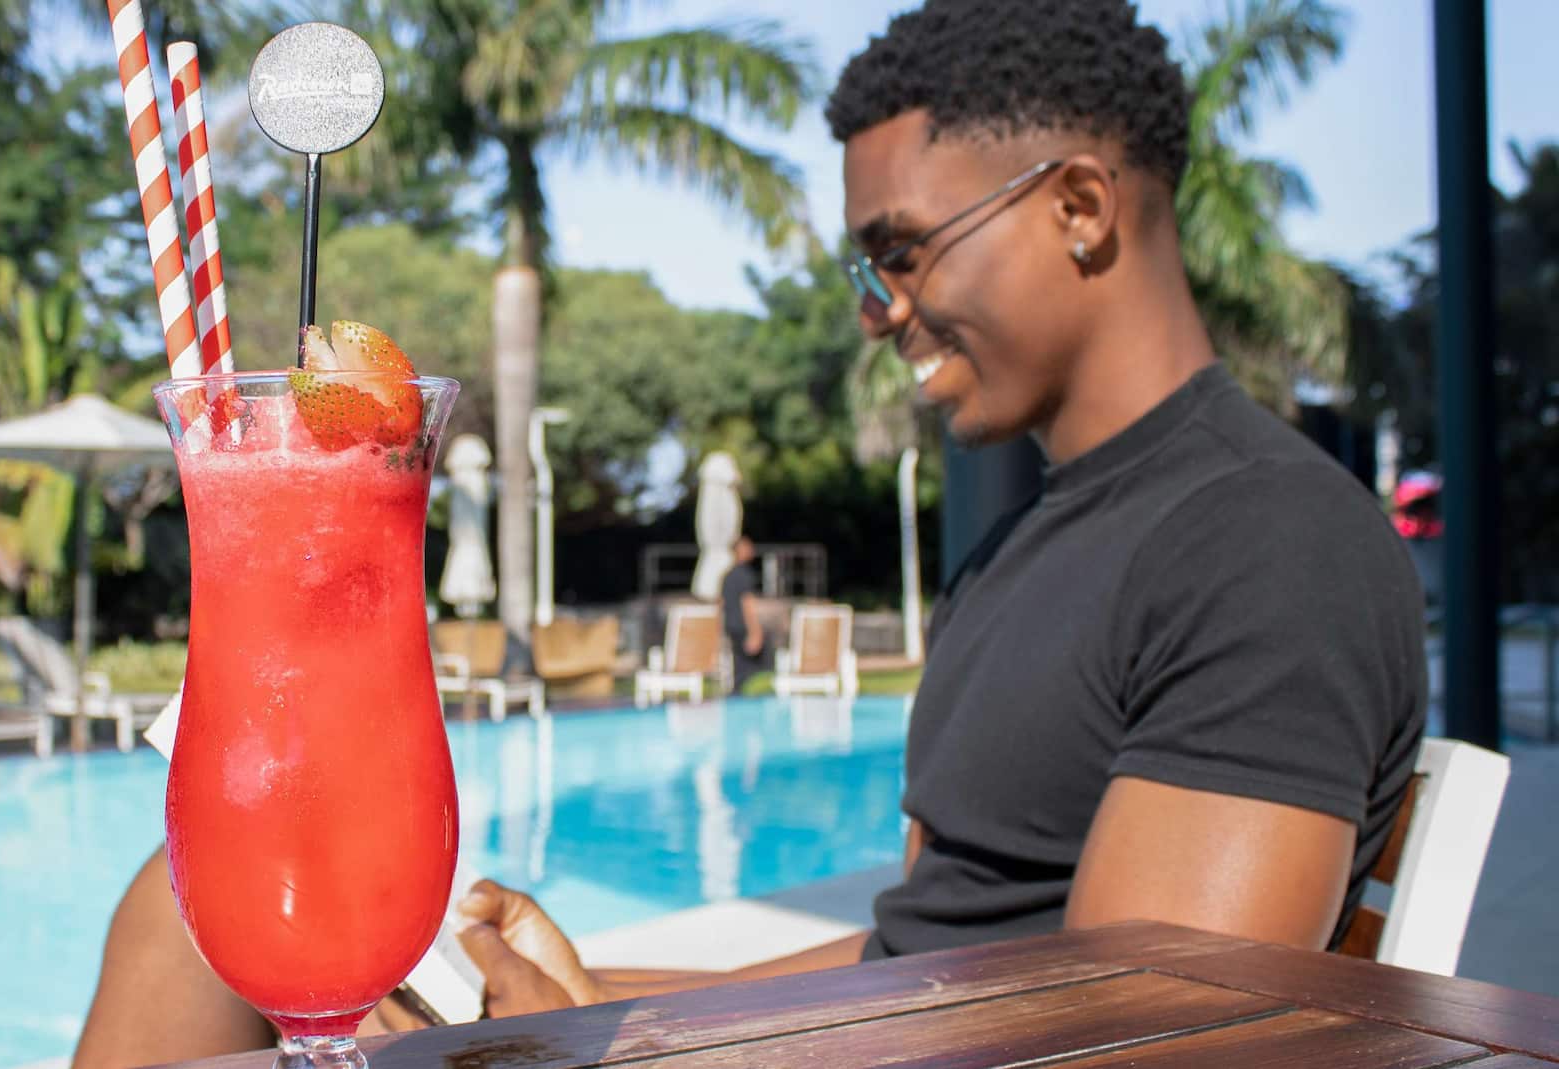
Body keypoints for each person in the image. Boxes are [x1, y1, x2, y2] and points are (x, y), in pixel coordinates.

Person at [73, 1, 1426, 1061]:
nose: (876, 311)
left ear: (1079, 205)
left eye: (899, 253)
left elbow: (1144, 1030)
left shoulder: (1264, 541)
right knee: (191, 920)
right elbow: (922, 955)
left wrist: (654, 1056)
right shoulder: (1030, 548)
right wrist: (595, 1008)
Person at [719, 536, 767, 693]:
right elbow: (747, 603)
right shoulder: (744, 574)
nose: (751, 549)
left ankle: (736, 695)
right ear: (739, 550)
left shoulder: (726, 575)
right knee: (751, 671)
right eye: (747, 546)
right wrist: (755, 630)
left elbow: (720, 603)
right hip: (743, 626)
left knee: (738, 667)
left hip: (731, 626)